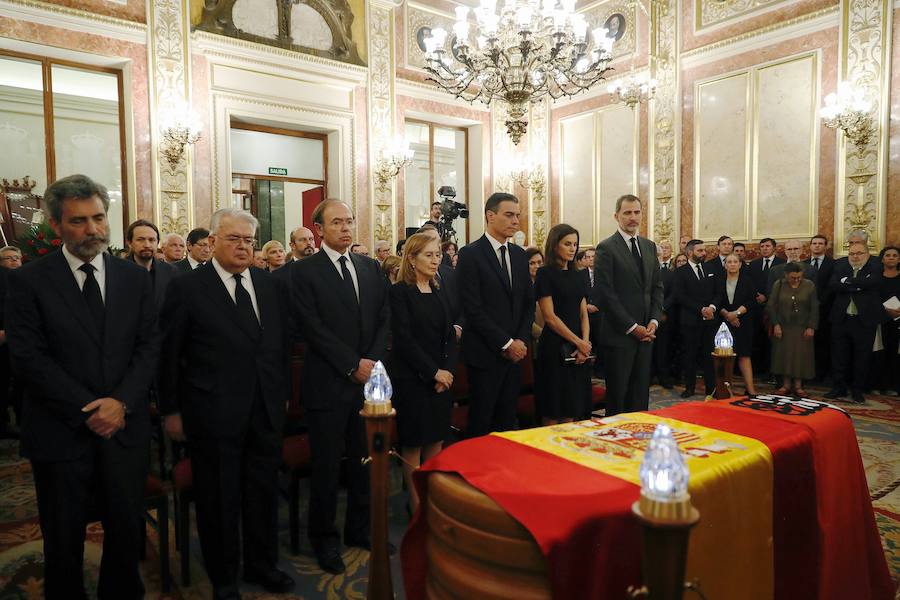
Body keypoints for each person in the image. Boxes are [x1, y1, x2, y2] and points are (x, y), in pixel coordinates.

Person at [5, 174, 160, 599]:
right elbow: (28, 358)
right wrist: (92, 408)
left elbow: (148, 348)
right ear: (56, 225)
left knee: (126, 529)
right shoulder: (28, 281)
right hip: (59, 431)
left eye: (99, 218)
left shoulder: (133, 277)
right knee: (63, 535)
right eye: (78, 221)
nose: (92, 230)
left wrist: (122, 403)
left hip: (124, 430)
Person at [160, 208, 294, 598]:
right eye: (233, 239)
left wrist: (281, 393)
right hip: (212, 412)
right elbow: (169, 355)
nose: (242, 247)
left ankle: (261, 565)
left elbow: (280, 347)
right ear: (213, 242)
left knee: (263, 493)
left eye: (248, 240)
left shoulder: (269, 286)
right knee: (218, 498)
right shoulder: (187, 288)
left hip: (265, 409)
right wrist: (171, 410)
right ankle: (223, 577)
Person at [290, 199, 390, 574]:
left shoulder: (370, 267)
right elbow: (311, 327)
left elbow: (384, 318)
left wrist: (371, 361)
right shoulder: (305, 271)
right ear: (319, 229)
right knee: (328, 468)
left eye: (349, 221)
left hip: (367, 384)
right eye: (337, 222)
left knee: (365, 463)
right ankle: (324, 540)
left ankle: (359, 530)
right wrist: (352, 364)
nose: (346, 228)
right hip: (328, 384)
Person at [388, 232, 458, 513]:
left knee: (436, 439)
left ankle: (432, 498)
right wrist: (434, 373)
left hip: (440, 379)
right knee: (415, 441)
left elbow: (449, 337)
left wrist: (448, 372)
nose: (435, 260)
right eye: (428, 255)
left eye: (438, 255)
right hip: (412, 379)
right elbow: (404, 340)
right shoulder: (400, 292)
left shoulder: (438, 289)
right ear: (412, 259)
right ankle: (416, 504)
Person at [456, 192, 534, 436]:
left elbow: (527, 304)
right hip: (485, 353)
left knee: (506, 422)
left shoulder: (520, 256)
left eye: (517, 216)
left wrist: (519, 341)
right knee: (481, 421)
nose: (515, 221)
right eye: (509, 215)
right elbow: (472, 308)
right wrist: (506, 343)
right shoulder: (471, 254)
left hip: (514, 356)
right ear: (490, 216)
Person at [593, 195, 664, 414]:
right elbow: (606, 294)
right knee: (618, 396)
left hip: (646, 335)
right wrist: (633, 327)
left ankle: (638, 437)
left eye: (637, 212)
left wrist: (653, 321)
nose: (633, 217)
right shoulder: (606, 248)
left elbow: (656, 287)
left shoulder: (649, 246)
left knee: (640, 394)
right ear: (617, 216)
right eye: (627, 213)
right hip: (619, 335)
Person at [534, 224, 592, 423]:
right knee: (553, 408)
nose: (572, 248)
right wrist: (578, 342)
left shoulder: (579, 275)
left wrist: (585, 343)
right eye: (567, 244)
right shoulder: (545, 274)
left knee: (571, 407)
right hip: (554, 346)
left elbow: (583, 313)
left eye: (575, 244)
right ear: (555, 245)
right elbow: (550, 317)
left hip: (579, 347)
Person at [825, 242, 883, 404]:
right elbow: (833, 285)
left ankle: (858, 390)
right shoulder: (840, 265)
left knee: (862, 357)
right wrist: (858, 285)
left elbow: (873, 283)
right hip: (841, 319)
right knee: (838, 356)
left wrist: (847, 282)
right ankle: (839, 388)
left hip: (864, 320)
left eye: (859, 253)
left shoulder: (875, 265)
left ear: (867, 254)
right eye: (852, 253)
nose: (855, 257)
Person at [672, 239, 717, 398]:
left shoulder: (710, 269)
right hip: (690, 320)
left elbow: (718, 292)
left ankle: (711, 388)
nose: (704, 253)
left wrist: (712, 307)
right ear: (690, 252)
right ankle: (689, 387)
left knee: (708, 355)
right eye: (700, 251)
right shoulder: (680, 272)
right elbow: (679, 296)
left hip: (710, 319)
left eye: (704, 250)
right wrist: (700, 309)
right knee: (689, 355)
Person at [767, 262, 818, 397]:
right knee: (784, 356)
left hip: (802, 328)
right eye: (793, 277)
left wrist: (811, 326)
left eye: (799, 277)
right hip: (783, 327)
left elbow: (814, 308)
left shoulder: (809, 285)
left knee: (800, 357)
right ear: (786, 275)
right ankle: (785, 385)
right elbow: (771, 306)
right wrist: (776, 324)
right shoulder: (779, 284)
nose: (796, 280)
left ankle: (798, 386)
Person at [715, 254, 758, 395]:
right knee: (726, 357)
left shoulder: (748, 281)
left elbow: (752, 301)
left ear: (740, 264)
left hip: (743, 322)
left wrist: (736, 313)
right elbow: (716, 300)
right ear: (725, 265)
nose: (732, 264)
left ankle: (750, 390)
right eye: (729, 262)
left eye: (735, 262)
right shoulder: (719, 280)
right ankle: (726, 390)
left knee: (744, 355)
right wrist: (728, 315)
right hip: (724, 323)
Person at [749, 237, 785, 383]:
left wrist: (767, 297)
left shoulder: (782, 264)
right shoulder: (754, 264)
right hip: (756, 307)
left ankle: (773, 371)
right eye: (762, 246)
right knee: (757, 339)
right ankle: (759, 369)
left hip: (774, 307)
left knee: (773, 342)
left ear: (774, 248)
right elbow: (749, 282)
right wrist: (757, 296)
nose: (765, 248)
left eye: (768, 246)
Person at [125, 219, 176, 311]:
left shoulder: (170, 271)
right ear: (129, 243)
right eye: (140, 240)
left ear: (157, 243)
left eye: (152, 240)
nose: (147, 245)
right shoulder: (117, 271)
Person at [804, 234, 835, 381]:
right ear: (810, 246)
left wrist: (818, 302)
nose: (817, 246)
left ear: (826, 246)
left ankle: (821, 374)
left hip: (824, 309)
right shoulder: (802, 264)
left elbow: (831, 286)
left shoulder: (833, 264)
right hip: (804, 311)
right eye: (814, 243)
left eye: (820, 243)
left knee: (823, 343)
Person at [873, 246, 900, 395]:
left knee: (894, 354)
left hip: (898, 321)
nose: (891, 257)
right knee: (879, 354)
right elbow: (871, 299)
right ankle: (878, 385)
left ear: (899, 259)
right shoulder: (876, 279)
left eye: (894, 255)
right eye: (887, 255)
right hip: (880, 320)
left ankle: (893, 385)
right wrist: (885, 311)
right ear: (882, 259)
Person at [526, 247, 545, 345]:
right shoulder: (522, 287)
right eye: (532, 263)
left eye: (539, 262)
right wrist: (542, 334)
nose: (537, 266)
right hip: (530, 339)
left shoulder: (547, 284)